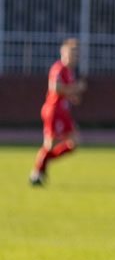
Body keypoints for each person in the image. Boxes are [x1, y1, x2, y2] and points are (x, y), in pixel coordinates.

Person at [30, 39, 86, 186]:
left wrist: (73, 96)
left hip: (64, 112)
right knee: (50, 144)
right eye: (70, 54)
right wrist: (76, 88)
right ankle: (36, 173)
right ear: (63, 54)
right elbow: (55, 88)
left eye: (75, 55)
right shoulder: (58, 68)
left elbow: (67, 92)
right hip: (54, 111)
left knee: (74, 142)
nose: (73, 57)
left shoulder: (70, 72)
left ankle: (43, 164)